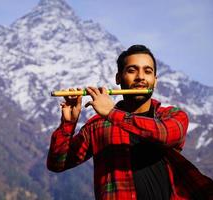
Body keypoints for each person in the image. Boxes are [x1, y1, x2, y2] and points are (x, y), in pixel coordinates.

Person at [47, 44, 213, 200]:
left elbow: (165, 134)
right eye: (132, 70)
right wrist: (68, 123)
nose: (140, 77)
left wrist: (112, 113)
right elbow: (57, 163)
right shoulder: (97, 124)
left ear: (155, 80)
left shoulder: (172, 116)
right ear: (118, 78)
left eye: (147, 71)